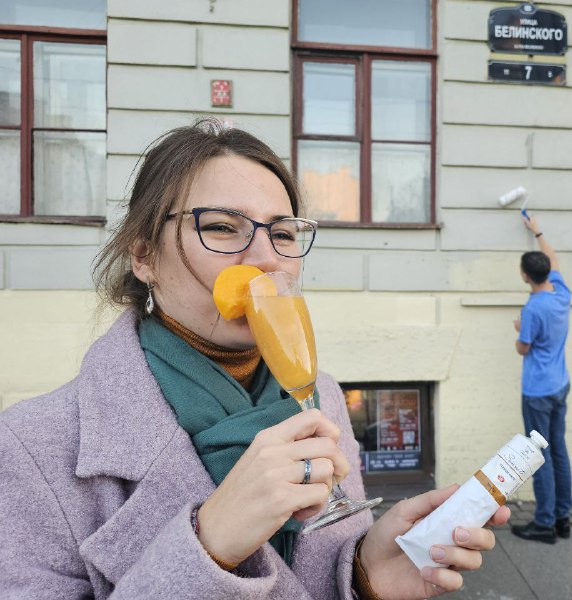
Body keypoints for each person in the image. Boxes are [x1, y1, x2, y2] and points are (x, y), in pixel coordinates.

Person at [0, 120, 510, 599]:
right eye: (222, 227)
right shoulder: (31, 447)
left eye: (283, 233)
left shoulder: (322, 395)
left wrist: (363, 573)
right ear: (144, 257)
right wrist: (209, 545)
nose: (267, 260)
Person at [510, 214, 572, 545]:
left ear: (525, 276)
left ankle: (545, 523)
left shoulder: (533, 308)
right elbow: (555, 257)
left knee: (541, 454)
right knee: (559, 449)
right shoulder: (561, 291)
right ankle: (563, 518)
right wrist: (538, 232)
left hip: (537, 391)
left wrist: (520, 331)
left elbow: (524, 349)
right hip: (560, 385)